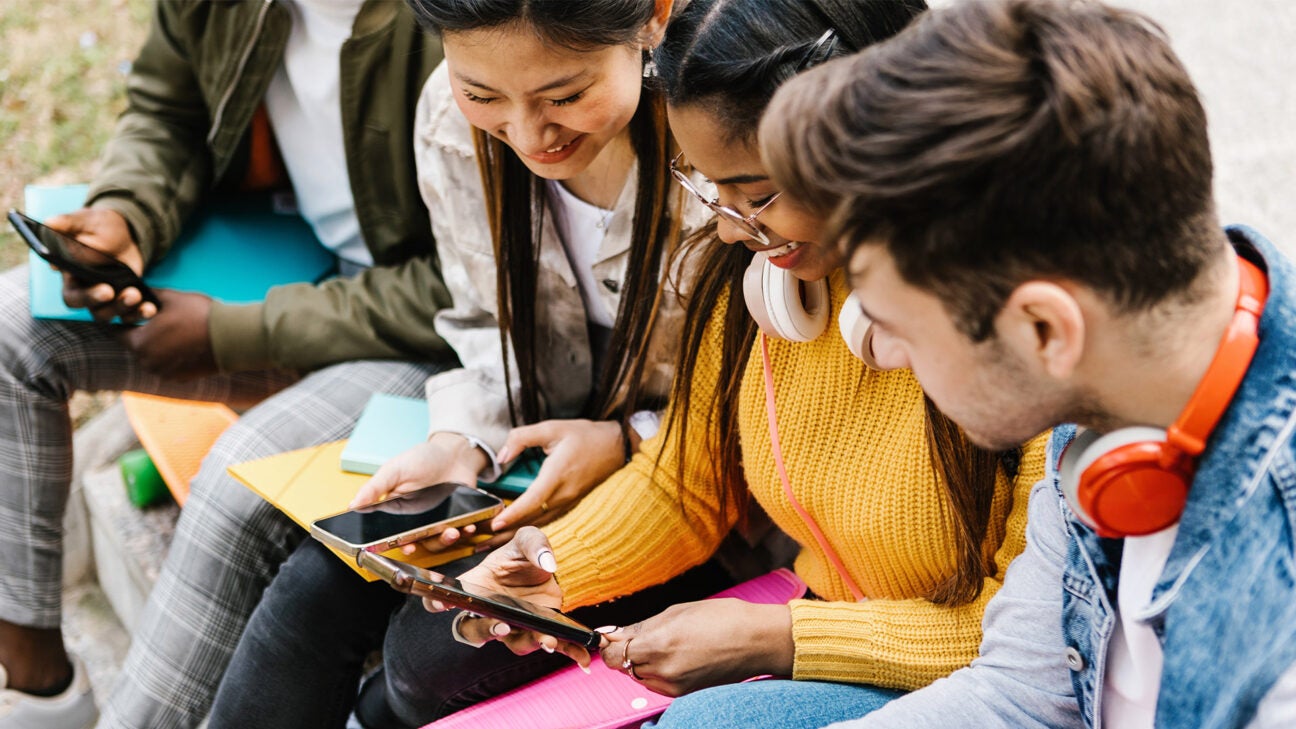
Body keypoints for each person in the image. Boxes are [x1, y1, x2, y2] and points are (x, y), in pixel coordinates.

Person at [442, 2, 1051, 727]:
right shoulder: (760, 284)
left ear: (879, 143)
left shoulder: (1029, 331)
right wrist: (550, 568)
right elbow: (684, 484)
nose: (730, 227)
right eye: (707, 186)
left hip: (979, 679)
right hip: (829, 625)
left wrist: (779, 637)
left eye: (758, 194)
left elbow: (1034, 641)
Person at [759, 0, 1296, 727]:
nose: (880, 353)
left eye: (899, 325)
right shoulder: (1106, 406)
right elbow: (1016, 693)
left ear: (1043, 328)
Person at [205, 1, 737, 727]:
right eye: (483, 94)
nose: (527, 133)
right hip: (536, 462)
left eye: (566, 95)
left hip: (695, 487)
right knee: (321, 583)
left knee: (429, 658)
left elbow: (766, 402)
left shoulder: (721, 150)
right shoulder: (451, 125)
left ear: (654, 17)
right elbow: (482, 318)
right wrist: (465, 439)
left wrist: (627, 439)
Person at [0, 2, 455, 728]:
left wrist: (236, 333)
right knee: (11, 329)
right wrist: (126, 213)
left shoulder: (453, 24)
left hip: (435, 338)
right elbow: (166, 110)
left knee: (235, 480)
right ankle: (39, 689)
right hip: (294, 261)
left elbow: (474, 286)